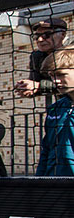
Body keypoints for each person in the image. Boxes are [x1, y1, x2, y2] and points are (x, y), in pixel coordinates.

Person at [36, 47, 74, 176]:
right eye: (52, 75)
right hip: (55, 184)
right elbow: (46, 150)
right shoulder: (55, 109)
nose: (55, 81)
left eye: (61, 74)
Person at [15, 18, 67, 102]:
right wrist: (26, 87)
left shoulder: (71, 53)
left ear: (63, 35)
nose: (40, 40)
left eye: (47, 35)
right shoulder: (37, 57)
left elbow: (70, 83)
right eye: (36, 36)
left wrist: (38, 86)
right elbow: (36, 84)